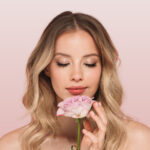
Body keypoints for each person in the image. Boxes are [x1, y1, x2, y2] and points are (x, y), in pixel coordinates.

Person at [0, 11, 150, 150]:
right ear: (46, 67)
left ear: (103, 68)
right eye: (63, 63)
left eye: (90, 63)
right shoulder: (11, 146)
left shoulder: (139, 141)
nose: (77, 75)